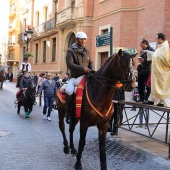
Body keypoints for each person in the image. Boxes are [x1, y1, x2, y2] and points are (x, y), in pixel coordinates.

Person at [65, 31, 94, 124]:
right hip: (75, 77)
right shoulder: (70, 50)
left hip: (87, 76)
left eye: (85, 39)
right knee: (69, 91)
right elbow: (69, 64)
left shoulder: (87, 50)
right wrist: (82, 68)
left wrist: (92, 69)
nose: (84, 41)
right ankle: (69, 114)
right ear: (77, 39)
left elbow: (91, 62)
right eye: (82, 39)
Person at [143, 33, 170, 107]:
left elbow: (164, 58)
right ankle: (154, 100)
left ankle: (161, 102)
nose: (156, 40)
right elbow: (156, 55)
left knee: (161, 87)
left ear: (160, 39)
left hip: (162, 71)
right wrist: (148, 52)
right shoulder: (161, 47)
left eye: (156, 39)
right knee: (157, 86)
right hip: (157, 71)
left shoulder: (165, 47)